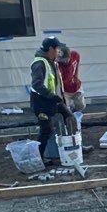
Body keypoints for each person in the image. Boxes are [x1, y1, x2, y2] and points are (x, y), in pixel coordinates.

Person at [30, 37, 75, 165]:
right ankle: (39, 158)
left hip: (54, 99)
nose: (59, 51)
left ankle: (76, 145)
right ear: (50, 49)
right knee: (46, 129)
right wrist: (51, 95)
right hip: (41, 102)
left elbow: (55, 83)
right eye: (57, 48)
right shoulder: (40, 63)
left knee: (70, 118)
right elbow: (37, 84)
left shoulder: (52, 62)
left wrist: (60, 98)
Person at [56, 43, 85, 114]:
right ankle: (70, 116)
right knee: (66, 110)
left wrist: (76, 76)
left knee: (81, 106)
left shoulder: (75, 55)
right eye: (62, 60)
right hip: (65, 91)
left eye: (66, 59)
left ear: (69, 56)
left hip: (76, 87)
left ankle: (75, 112)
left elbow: (77, 65)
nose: (64, 61)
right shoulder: (58, 66)